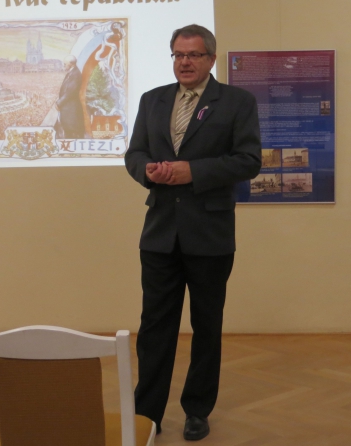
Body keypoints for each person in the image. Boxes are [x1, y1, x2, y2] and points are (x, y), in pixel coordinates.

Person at [125, 24, 261, 441]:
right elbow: (134, 153)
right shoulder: (152, 100)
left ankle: (197, 410)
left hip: (210, 234)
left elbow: (249, 160)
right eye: (178, 55)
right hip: (160, 234)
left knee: (206, 327)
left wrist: (193, 171)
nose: (185, 62)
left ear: (211, 59)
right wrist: (147, 171)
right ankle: (146, 413)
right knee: (154, 329)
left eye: (194, 55)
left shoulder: (236, 101)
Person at [54, 55, 85, 139]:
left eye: (65, 64)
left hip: (71, 111)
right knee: (68, 133)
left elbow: (70, 92)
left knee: (72, 135)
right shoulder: (71, 73)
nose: (64, 65)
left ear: (71, 64)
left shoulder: (75, 74)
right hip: (69, 109)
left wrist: (59, 103)